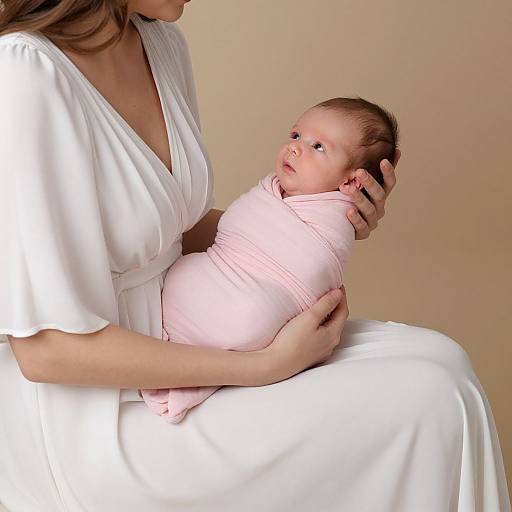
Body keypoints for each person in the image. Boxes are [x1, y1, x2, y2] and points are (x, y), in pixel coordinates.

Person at [0, 2, 509, 511]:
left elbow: (158, 229)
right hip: (96, 415)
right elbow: (46, 350)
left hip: (191, 327)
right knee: (430, 399)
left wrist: (316, 225)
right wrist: (263, 366)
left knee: (444, 363)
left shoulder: (161, 46)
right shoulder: (26, 74)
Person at [142, 97, 401, 423]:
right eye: (295, 136)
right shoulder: (272, 194)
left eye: (318, 146)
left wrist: (341, 225)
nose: (295, 148)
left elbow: (308, 263)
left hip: (255, 316)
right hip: (188, 324)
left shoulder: (336, 217)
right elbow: (240, 233)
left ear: (351, 181)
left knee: (438, 363)